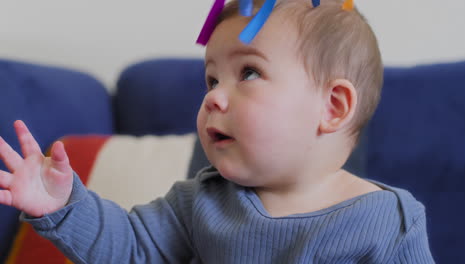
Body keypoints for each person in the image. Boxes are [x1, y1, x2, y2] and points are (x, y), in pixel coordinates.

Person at [0, 0, 434, 263]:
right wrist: (62, 205)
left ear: (332, 107)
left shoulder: (388, 222)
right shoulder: (200, 202)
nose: (214, 98)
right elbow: (130, 249)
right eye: (211, 79)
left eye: (248, 72)